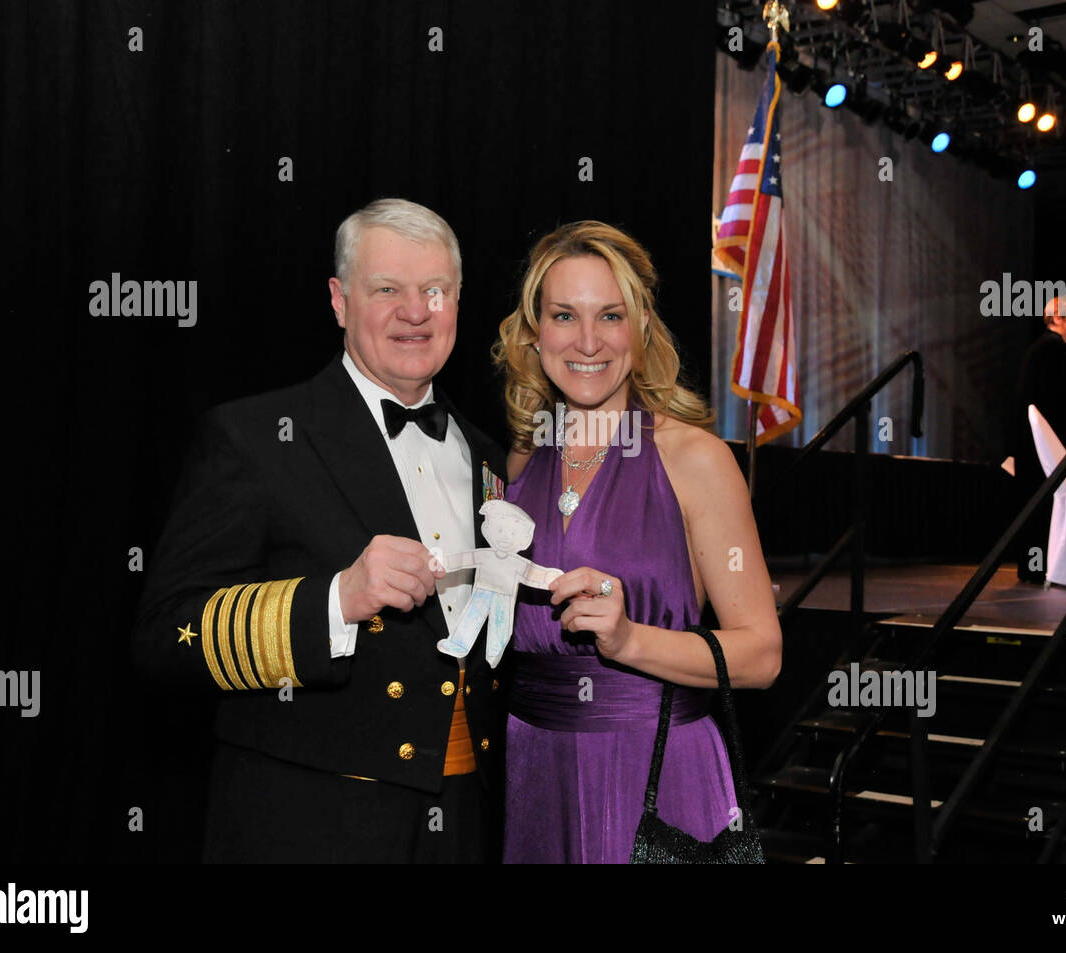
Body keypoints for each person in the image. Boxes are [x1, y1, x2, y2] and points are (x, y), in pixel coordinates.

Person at [133, 198, 507, 862]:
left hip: (463, 819)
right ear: (339, 301)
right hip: (309, 825)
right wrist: (336, 599)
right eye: (386, 289)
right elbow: (167, 636)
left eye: (435, 290)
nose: (415, 311)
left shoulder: (488, 456)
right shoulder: (255, 437)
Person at [492, 221, 782, 863]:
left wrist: (630, 641)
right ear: (535, 331)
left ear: (641, 326)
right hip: (533, 767)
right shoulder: (519, 464)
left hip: (657, 772)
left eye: (611, 316)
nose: (588, 340)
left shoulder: (693, 458)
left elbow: (762, 655)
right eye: (564, 315)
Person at [1011, 295, 1066, 583]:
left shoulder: (1047, 348)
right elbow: (1058, 394)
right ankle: (1035, 567)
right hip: (1040, 444)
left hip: (1034, 442)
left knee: (1039, 504)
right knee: (1040, 505)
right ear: (1059, 319)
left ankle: (1036, 567)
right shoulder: (1052, 349)